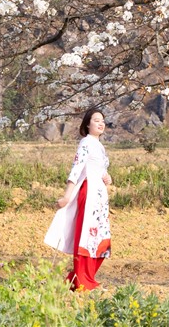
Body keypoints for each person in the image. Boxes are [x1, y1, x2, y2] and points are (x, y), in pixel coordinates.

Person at [44, 105, 112, 290]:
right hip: (88, 194)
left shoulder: (99, 146)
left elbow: (101, 171)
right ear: (87, 125)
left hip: (99, 196)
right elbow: (76, 169)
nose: (101, 124)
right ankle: (84, 281)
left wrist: (107, 177)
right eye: (96, 120)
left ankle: (78, 280)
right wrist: (67, 197)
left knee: (100, 237)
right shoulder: (86, 143)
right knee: (87, 235)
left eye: (103, 121)